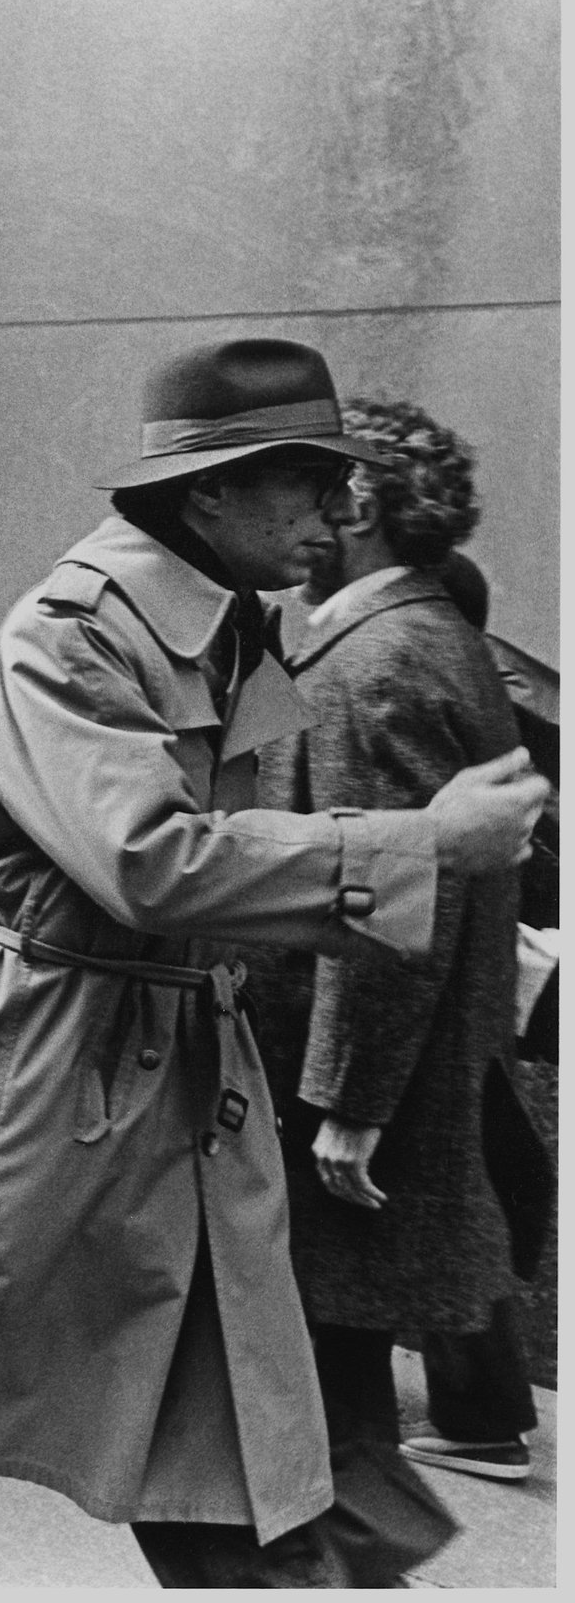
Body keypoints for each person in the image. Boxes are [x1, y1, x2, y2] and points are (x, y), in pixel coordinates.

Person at [0, 338, 549, 1588]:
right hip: (33, 1075)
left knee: (234, 1448)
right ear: (210, 493)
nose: (332, 511)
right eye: (303, 482)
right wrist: (425, 842)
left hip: (177, 1077)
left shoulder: (225, 625)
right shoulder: (75, 626)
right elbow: (150, 862)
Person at [250, 405, 547, 1489]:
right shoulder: (428, 639)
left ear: (359, 505)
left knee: (326, 1403)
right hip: (386, 1084)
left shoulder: (368, 663)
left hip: (344, 1094)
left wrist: (349, 1102)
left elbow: (385, 912)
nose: (289, 521)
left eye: (311, 491)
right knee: (329, 1391)